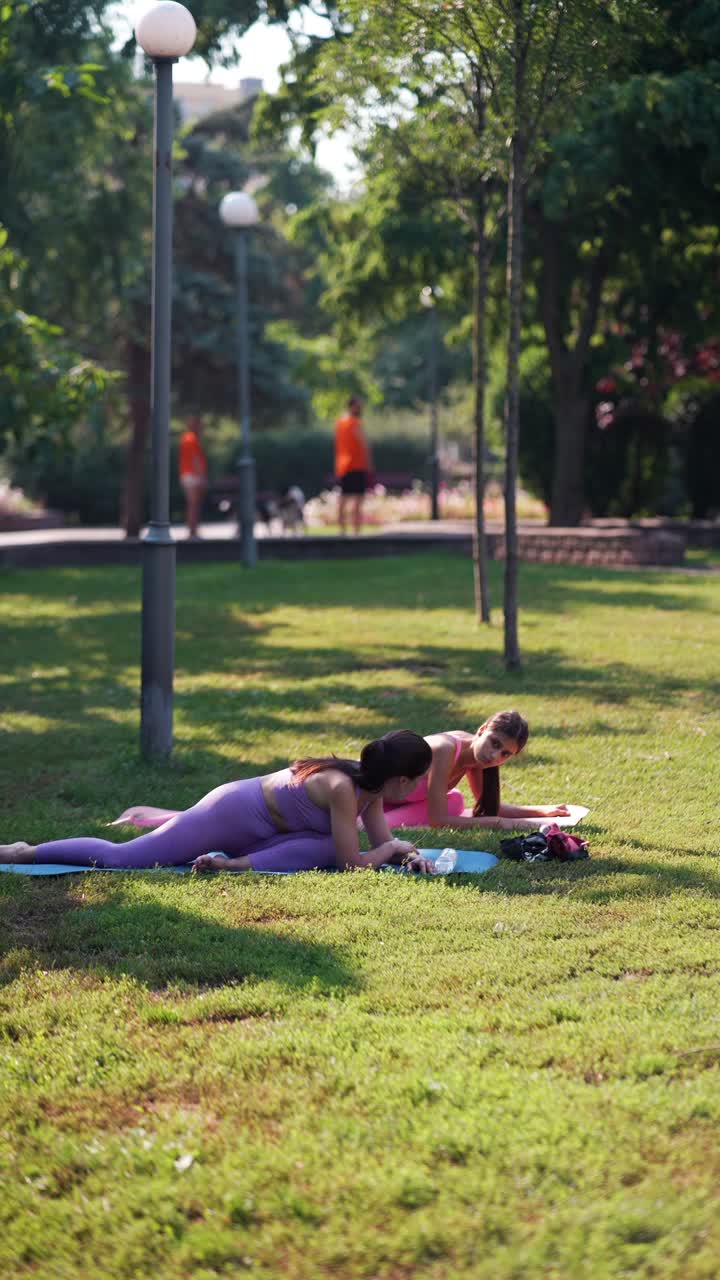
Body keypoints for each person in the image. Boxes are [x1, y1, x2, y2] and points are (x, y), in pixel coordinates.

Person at [0, 731, 435, 875]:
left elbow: (379, 844)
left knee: (325, 847)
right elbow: (354, 864)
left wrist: (408, 855)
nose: (423, 785)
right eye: (421, 779)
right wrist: (392, 850)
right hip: (232, 811)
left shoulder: (371, 791)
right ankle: (23, 851)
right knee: (124, 859)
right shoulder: (344, 788)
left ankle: (230, 864)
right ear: (402, 779)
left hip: (263, 832)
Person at [383, 710, 571, 830]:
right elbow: (438, 821)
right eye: (494, 743)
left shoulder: (476, 762)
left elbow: (488, 807)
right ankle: (367, 821)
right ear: (482, 730)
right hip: (369, 795)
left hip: (398, 800)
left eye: (505, 754)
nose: (494, 756)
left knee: (455, 801)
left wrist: (542, 811)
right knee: (449, 809)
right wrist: (499, 824)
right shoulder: (445, 748)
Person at [334, 395, 371, 535]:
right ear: (353, 406)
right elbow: (364, 444)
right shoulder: (354, 423)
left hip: (343, 465)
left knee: (344, 498)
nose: (361, 408)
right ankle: (356, 531)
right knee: (357, 499)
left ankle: (342, 530)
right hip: (356, 465)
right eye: (359, 406)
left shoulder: (340, 422)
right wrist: (369, 464)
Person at [178, 415, 208, 540]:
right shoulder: (191, 439)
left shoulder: (188, 438)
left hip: (188, 475)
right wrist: (202, 477)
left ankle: (193, 530)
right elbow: (195, 460)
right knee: (193, 504)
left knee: (193, 504)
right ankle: (192, 531)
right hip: (192, 476)